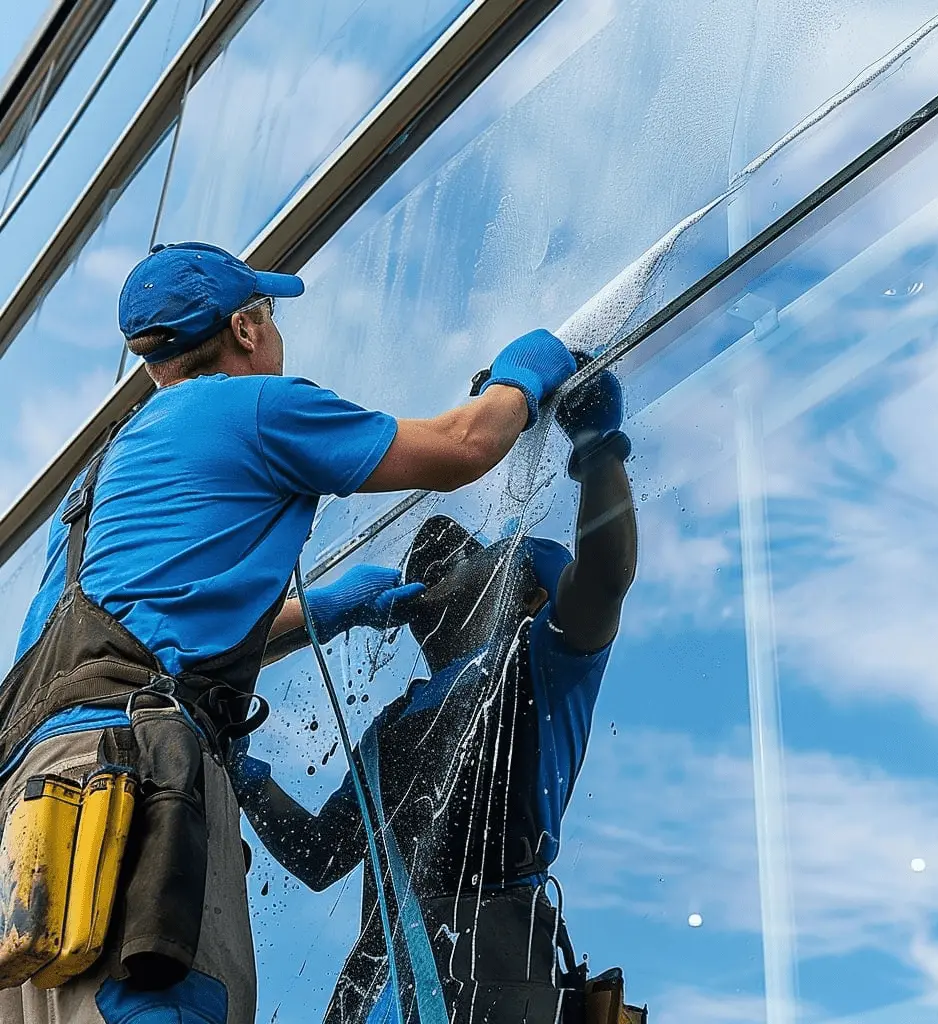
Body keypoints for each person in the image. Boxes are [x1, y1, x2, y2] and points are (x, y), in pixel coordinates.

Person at [0, 240, 576, 1024]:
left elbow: (148, 627)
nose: (275, 333)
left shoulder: (93, 485)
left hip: (30, 824)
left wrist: (327, 609)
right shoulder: (254, 407)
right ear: (245, 328)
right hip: (133, 784)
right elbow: (463, 446)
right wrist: (525, 375)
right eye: (269, 316)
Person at [231, 362, 637, 1024]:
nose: (438, 541)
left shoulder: (536, 660)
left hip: (494, 977)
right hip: (382, 991)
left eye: (469, 550)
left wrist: (597, 452)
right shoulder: (392, 725)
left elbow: (603, 579)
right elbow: (321, 853)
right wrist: (241, 772)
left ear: (523, 590)